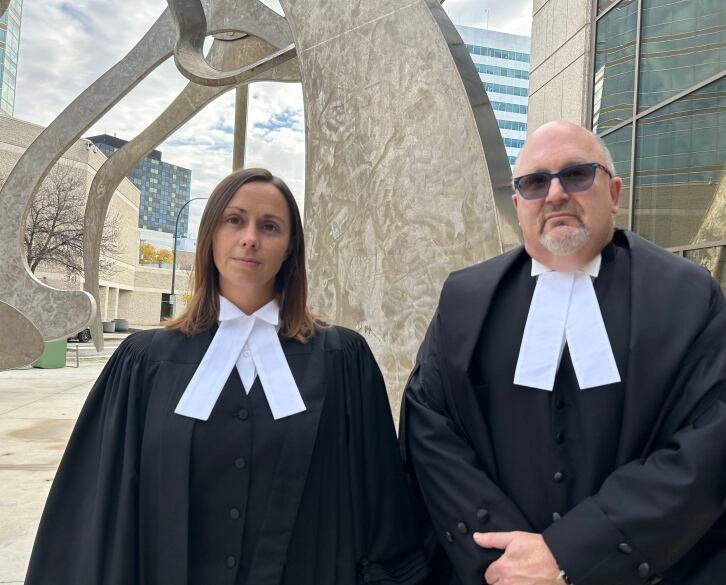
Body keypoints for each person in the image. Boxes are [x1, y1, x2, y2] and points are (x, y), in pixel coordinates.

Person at [401, 121, 726, 585]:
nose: (555, 194)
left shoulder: (689, 298)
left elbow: (714, 440)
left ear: (612, 192)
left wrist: (572, 553)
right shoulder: (463, 302)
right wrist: (507, 559)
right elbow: (431, 431)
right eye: (534, 182)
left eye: (576, 174)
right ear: (518, 205)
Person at [25, 168, 430, 585]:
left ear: (291, 247)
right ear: (210, 237)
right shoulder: (144, 363)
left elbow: (382, 509)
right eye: (234, 220)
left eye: (269, 226)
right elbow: (98, 513)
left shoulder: (343, 360)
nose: (250, 237)